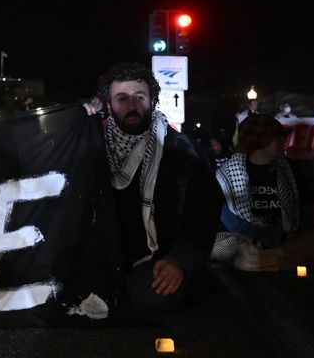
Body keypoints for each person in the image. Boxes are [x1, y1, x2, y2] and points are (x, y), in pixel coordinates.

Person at [90, 62, 221, 313]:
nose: (132, 105)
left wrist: (179, 260)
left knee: (150, 296)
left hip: (157, 259)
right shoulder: (91, 147)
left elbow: (203, 215)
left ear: (153, 101)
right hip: (103, 259)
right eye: (122, 98)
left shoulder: (182, 150)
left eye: (140, 97)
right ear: (109, 105)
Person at [211, 114, 301, 271]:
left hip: (287, 251)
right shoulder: (226, 178)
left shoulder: (291, 171)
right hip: (245, 261)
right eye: (278, 138)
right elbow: (225, 224)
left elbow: (303, 212)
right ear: (261, 142)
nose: (284, 141)